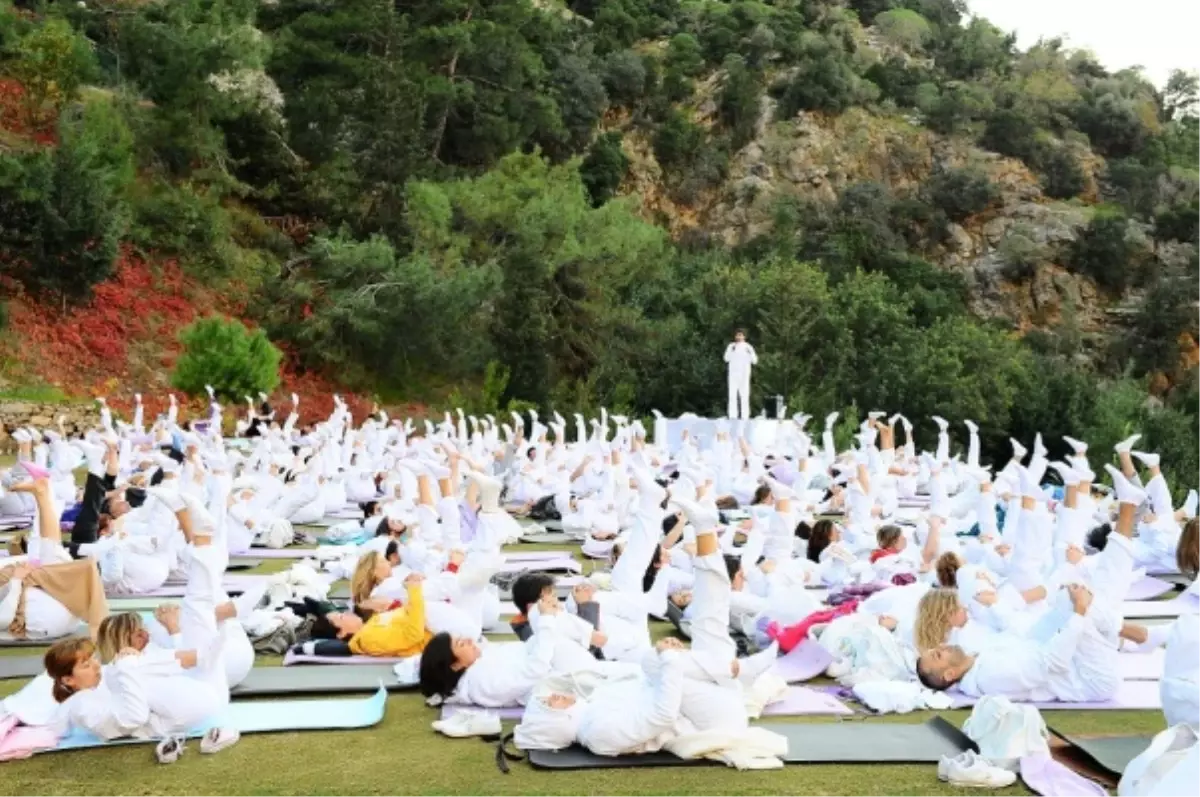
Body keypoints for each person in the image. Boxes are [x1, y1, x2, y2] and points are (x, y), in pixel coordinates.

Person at [723, 330, 758, 421]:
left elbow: (755, 361)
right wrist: (731, 350)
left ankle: (745, 416)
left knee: (744, 395)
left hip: (744, 375)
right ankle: (732, 415)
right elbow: (726, 359)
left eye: (740, 335)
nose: (738, 337)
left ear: (744, 337)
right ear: (735, 337)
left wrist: (750, 353)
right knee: (732, 395)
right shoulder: (731, 346)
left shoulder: (748, 347)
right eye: (737, 335)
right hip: (733, 375)